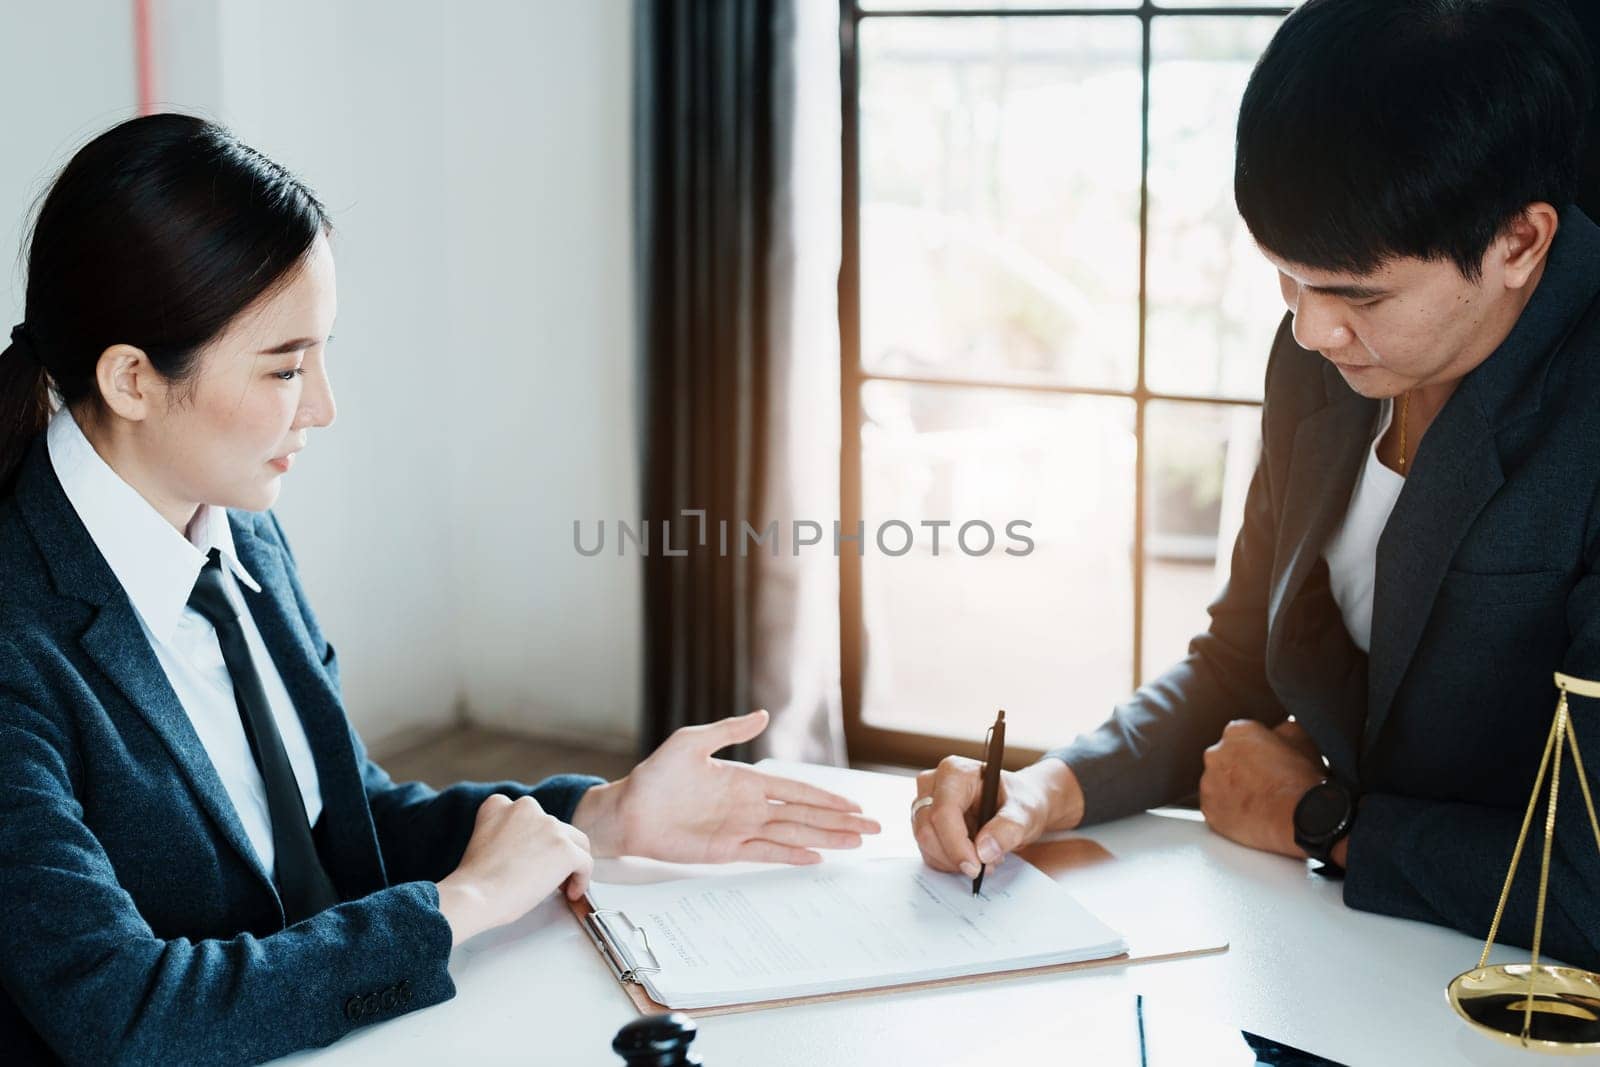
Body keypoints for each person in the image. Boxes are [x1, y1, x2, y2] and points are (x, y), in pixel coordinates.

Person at [0, 113, 880, 1066]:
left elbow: (347, 827)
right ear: (131, 378)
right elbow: (121, 1012)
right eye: (287, 367)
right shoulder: (19, 627)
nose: (325, 406)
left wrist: (598, 813)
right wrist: (459, 904)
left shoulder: (235, 526)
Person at [914, 0, 1600, 968]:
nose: (1312, 331)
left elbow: (1589, 882)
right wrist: (1051, 786)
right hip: (1327, 949)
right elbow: (1244, 659)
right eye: (1285, 278)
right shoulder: (1322, 355)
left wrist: (1321, 819)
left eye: (1355, 295)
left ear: (1520, 244)